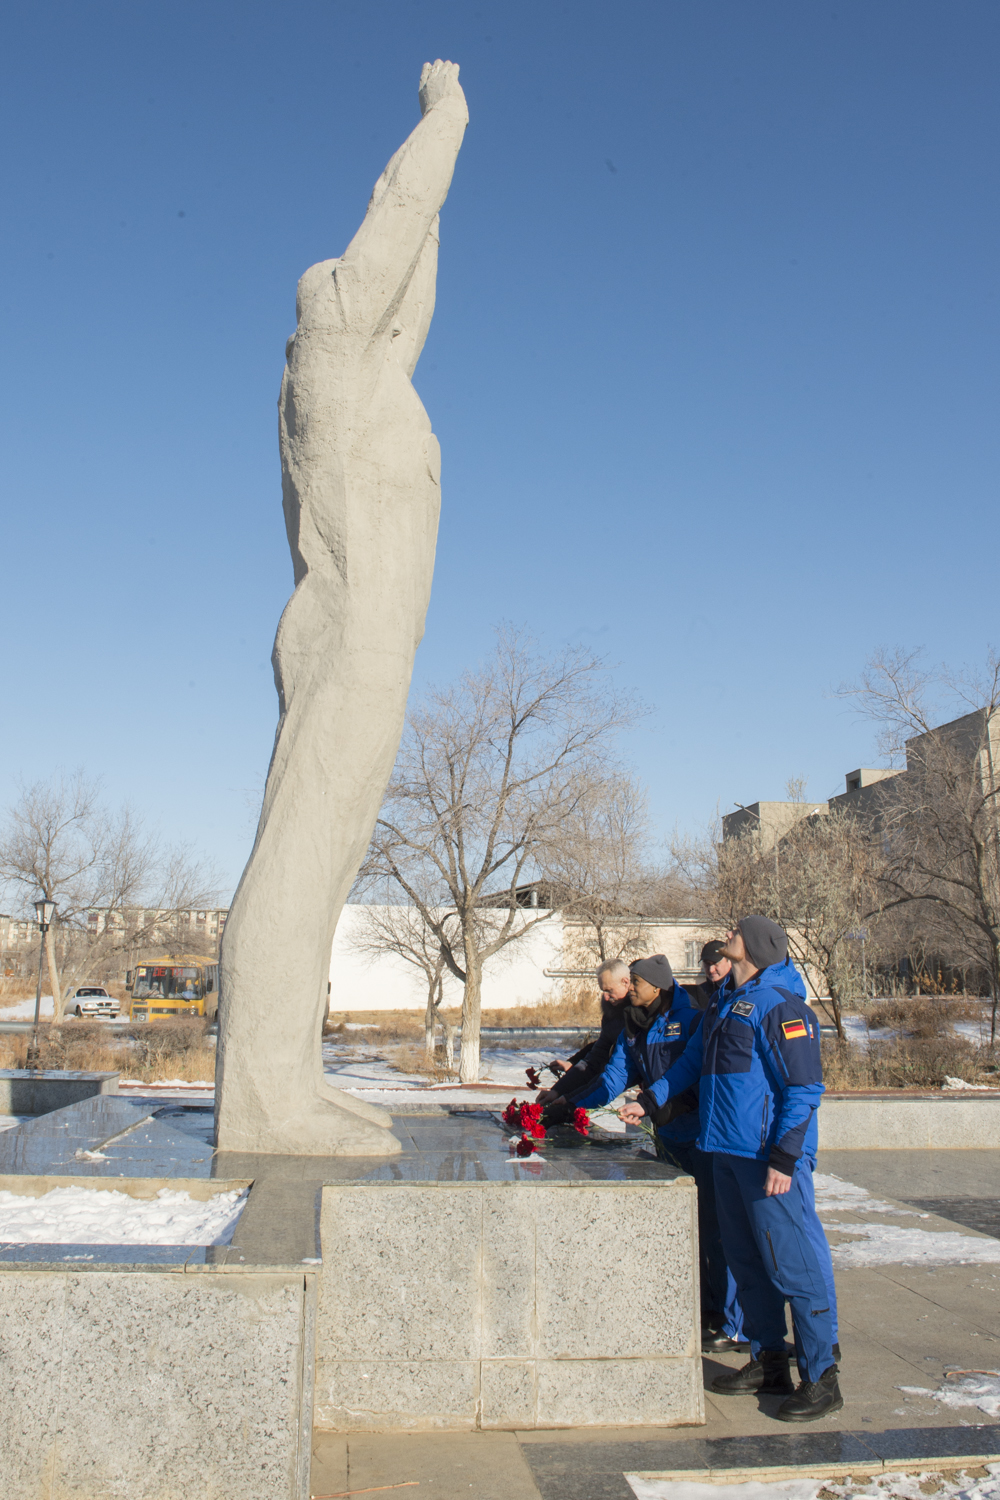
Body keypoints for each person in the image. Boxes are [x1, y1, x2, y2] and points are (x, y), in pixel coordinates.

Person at [620, 915, 842, 1422]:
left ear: (756, 948)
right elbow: (691, 1063)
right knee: (746, 1262)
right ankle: (769, 1359)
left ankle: (823, 1374)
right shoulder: (724, 1004)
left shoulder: (784, 1008)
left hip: (769, 1161)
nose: (730, 937)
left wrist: (785, 1158)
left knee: (794, 1263)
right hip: (725, 1152)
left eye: (738, 933)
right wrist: (651, 1099)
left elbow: (804, 1090)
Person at [570, 954, 744, 1351]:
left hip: (701, 1137)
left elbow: (696, 1074)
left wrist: (673, 1105)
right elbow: (613, 1078)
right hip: (667, 1137)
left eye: (636, 982)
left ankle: (730, 1317)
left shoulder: (690, 1017)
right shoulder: (635, 1025)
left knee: (716, 1229)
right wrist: (570, 1106)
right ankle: (701, 1305)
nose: (628, 987)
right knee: (685, 1227)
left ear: (658, 986)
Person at [535, 959, 631, 1113]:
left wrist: (571, 1100)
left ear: (625, 982)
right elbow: (595, 1058)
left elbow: (614, 1075)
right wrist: (558, 1091)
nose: (605, 997)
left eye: (609, 990)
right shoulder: (612, 1016)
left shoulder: (640, 1017)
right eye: (603, 991)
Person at [685, 940, 732, 1011]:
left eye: (716, 963)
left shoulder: (738, 990)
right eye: (707, 964)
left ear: (729, 962)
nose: (711, 969)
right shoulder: (698, 993)